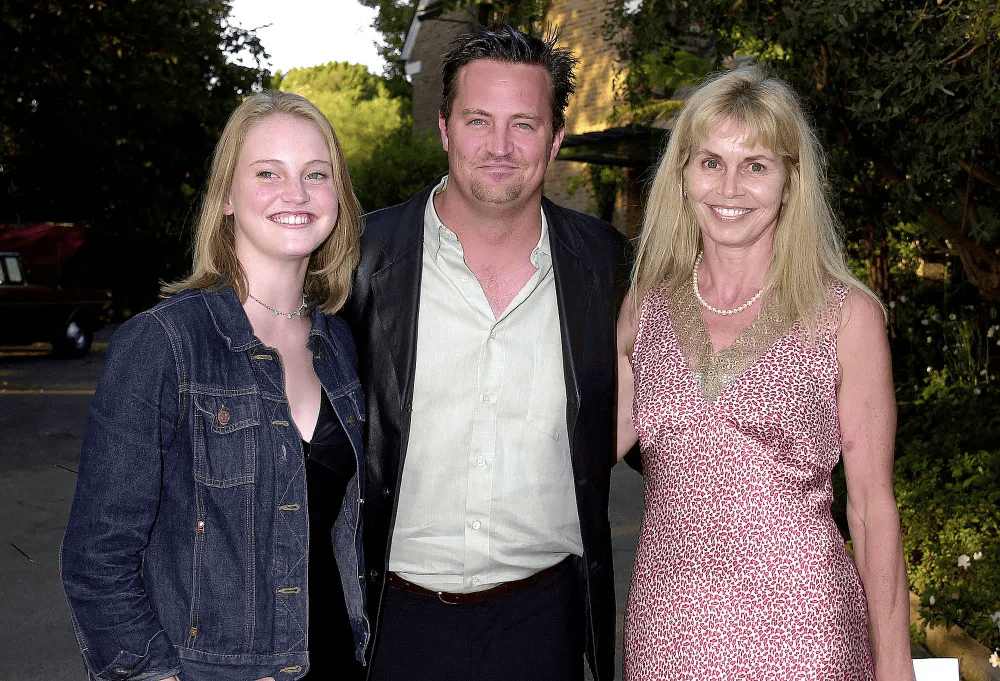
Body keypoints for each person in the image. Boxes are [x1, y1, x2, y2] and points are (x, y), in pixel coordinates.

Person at [343, 24, 632, 681]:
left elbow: (664, 426)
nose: (500, 147)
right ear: (445, 128)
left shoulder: (606, 266)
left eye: (524, 123)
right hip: (394, 626)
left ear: (555, 138)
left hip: (546, 625)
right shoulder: (360, 261)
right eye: (479, 120)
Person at [615, 65, 915, 680]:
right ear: (683, 175)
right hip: (668, 633)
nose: (730, 186)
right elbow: (583, 450)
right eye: (711, 162)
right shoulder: (645, 308)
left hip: (804, 633)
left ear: (790, 181)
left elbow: (871, 507)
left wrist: (895, 664)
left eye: (756, 165)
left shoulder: (846, 316)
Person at [60, 90, 369, 681]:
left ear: (338, 197)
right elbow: (96, 556)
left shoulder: (339, 344)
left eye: (316, 173)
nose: (296, 193)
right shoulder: (165, 343)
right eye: (267, 173)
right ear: (226, 196)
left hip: (336, 662)